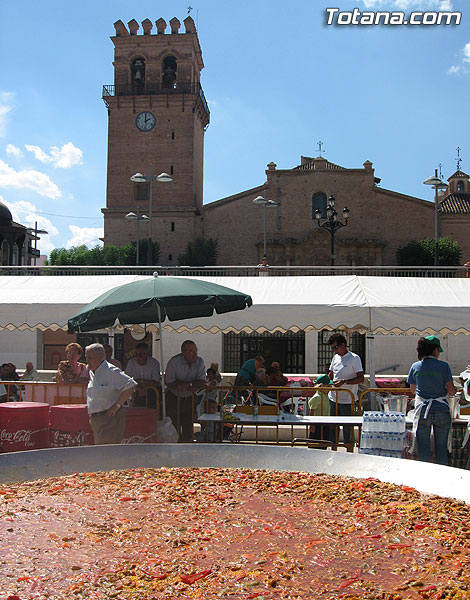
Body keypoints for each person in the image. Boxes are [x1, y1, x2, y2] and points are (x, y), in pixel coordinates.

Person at [407, 335, 456, 465]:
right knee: (441, 448)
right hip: (441, 409)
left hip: (423, 409)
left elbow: (412, 389)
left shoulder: (415, 366)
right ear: (435, 350)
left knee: (423, 448)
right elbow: (451, 391)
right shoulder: (444, 366)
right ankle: (442, 476)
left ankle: (424, 478)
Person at [85, 343, 137, 445]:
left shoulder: (111, 371)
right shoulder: (92, 371)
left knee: (108, 453)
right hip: (96, 418)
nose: (87, 361)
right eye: (86, 357)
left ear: (100, 357)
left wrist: (117, 405)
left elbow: (131, 384)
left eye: (90, 358)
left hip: (109, 418)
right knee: (101, 452)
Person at [165, 340, 206, 442]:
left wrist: (188, 385)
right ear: (184, 352)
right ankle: (174, 453)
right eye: (192, 351)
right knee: (174, 428)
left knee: (188, 429)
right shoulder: (174, 362)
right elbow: (168, 381)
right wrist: (179, 385)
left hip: (190, 399)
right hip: (174, 399)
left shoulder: (199, 361)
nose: (195, 353)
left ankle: (187, 453)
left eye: (196, 350)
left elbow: (202, 381)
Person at [327, 333, 364, 447]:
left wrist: (344, 382)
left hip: (348, 400)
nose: (334, 351)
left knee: (348, 428)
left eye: (335, 347)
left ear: (343, 345)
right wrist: (325, 381)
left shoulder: (354, 358)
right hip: (333, 398)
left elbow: (361, 378)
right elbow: (331, 374)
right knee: (333, 427)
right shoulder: (335, 357)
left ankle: (349, 450)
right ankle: (333, 449)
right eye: (332, 348)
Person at [125, 342, 161, 409]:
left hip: (152, 393)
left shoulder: (154, 363)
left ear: (146, 354)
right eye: (136, 354)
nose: (138, 357)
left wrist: (142, 382)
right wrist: (139, 385)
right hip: (137, 392)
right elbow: (126, 379)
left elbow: (156, 382)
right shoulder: (131, 362)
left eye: (140, 355)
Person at [308, 374, 332, 444]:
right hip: (317, 424)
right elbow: (312, 411)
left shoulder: (325, 396)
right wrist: (312, 425)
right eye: (328, 386)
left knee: (324, 442)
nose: (330, 388)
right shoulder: (317, 397)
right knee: (315, 443)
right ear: (321, 386)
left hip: (325, 423)